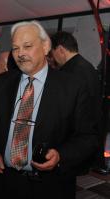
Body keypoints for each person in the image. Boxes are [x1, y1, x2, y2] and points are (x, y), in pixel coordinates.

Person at [0, 20, 98, 199]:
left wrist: (61, 155)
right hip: (6, 183)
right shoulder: (2, 83)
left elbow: (88, 137)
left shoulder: (72, 86)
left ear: (46, 46)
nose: (20, 53)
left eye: (27, 46)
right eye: (15, 48)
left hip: (50, 186)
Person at [50, 31, 103, 172]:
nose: (53, 58)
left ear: (60, 49)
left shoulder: (69, 71)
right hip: (91, 130)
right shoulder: (88, 66)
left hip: (76, 133)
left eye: (52, 52)